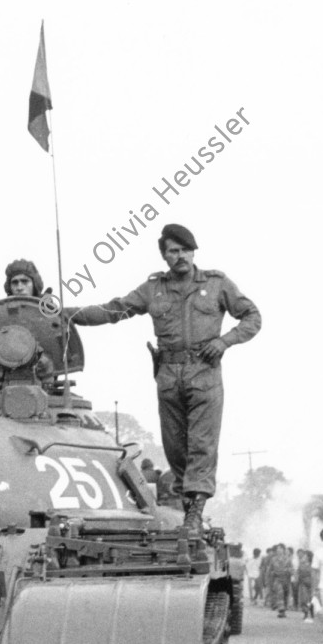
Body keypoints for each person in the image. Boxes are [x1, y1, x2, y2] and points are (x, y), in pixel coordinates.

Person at [69, 223, 262, 533]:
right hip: (169, 375)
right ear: (164, 256)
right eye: (173, 251)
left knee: (201, 443)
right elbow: (113, 310)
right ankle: (190, 508)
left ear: (194, 251)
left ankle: (195, 512)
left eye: (185, 249)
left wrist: (224, 341)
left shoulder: (217, 284)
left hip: (204, 372)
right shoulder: (153, 289)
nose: (181, 255)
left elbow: (252, 316)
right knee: (175, 447)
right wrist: (67, 313)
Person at [293, 548, 316, 621]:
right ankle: (305, 613)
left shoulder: (314, 564)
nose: (304, 557)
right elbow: (298, 572)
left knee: (311, 599)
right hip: (303, 583)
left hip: (312, 583)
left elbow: (315, 574)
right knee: (304, 599)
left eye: (306, 556)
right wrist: (296, 580)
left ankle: (312, 613)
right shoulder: (301, 563)